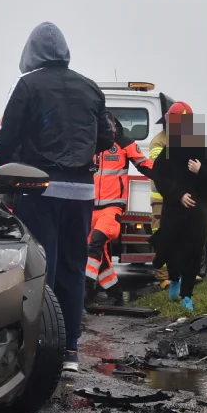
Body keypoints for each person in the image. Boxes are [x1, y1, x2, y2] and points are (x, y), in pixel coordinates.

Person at [0, 22, 113, 372]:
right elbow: (104, 137)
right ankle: (70, 350)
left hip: (39, 190)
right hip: (81, 195)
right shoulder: (90, 87)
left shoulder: (28, 84)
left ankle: (37, 344)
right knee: (74, 270)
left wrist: (7, 183)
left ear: (30, 54)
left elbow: (5, 140)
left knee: (39, 269)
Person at [147, 106, 207, 312]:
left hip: (201, 210)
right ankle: (174, 279)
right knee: (172, 246)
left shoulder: (205, 147)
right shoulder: (169, 149)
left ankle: (187, 295)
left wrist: (201, 171)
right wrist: (178, 195)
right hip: (175, 207)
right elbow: (160, 177)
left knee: (193, 250)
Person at [86, 113, 152, 305]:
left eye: (109, 125)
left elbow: (146, 166)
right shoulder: (88, 145)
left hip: (112, 208)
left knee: (95, 244)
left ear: (115, 126)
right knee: (101, 257)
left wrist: (171, 181)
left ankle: (84, 290)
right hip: (89, 208)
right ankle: (116, 293)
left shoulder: (124, 143)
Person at [147, 114, 172, 289]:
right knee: (161, 235)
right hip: (161, 198)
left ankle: (178, 272)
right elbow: (160, 167)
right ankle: (163, 277)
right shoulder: (158, 141)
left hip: (176, 198)